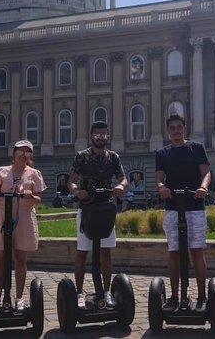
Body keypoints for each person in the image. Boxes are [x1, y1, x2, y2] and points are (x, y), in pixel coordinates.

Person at [67, 121, 127, 309]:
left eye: (103, 135)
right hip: (87, 208)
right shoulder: (82, 157)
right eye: (97, 135)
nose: (100, 138)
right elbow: (72, 181)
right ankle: (78, 293)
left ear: (108, 136)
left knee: (106, 252)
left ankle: (107, 292)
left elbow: (123, 178)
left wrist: (120, 186)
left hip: (106, 208)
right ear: (91, 136)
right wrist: (77, 192)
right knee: (82, 252)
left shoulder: (113, 158)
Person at [155, 114, 211, 313]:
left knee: (196, 251)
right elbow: (160, 178)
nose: (176, 131)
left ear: (184, 129)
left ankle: (203, 296)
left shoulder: (196, 149)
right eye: (173, 128)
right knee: (174, 253)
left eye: (179, 127)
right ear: (168, 131)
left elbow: (206, 173)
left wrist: (203, 188)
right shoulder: (162, 154)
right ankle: (175, 296)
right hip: (172, 207)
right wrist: (162, 188)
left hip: (194, 206)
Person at [0, 140, 45, 314]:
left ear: (30, 155)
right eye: (20, 151)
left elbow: (39, 199)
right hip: (4, 214)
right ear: (14, 153)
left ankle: (19, 298)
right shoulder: (2, 171)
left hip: (24, 215)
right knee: (1, 259)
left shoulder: (34, 174)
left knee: (20, 258)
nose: (23, 154)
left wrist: (31, 196)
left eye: (27, 151)